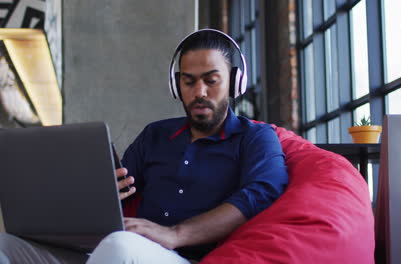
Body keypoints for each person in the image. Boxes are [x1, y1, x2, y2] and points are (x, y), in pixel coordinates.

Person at [0, 29, 288, 263]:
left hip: (182, 256)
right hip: (114, 247)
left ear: (235, 83)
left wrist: (175, 234)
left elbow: (260, 194)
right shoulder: (156, 135)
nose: (199, 92)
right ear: (176, 86)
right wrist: (98, 193)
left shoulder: (255, 138)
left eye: (212, 81)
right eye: (188, 82)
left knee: (121, 246)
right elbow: (121, 193)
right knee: (6, 244)